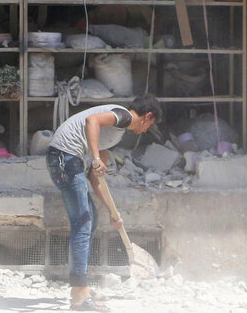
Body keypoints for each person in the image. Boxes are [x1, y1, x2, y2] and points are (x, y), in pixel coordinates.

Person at [46, 94, 161, 311]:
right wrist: (96, 158)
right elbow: (92, 121)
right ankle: (79, 293)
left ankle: (81, 287)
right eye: (150, 125)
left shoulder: (114, 137)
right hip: (64, 157)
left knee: (91, 217)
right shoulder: (124, 116)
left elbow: (95, 178)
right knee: (82, 221)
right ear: (147, 116)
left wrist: (113, 213)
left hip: (68, 160)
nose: (146, 130)